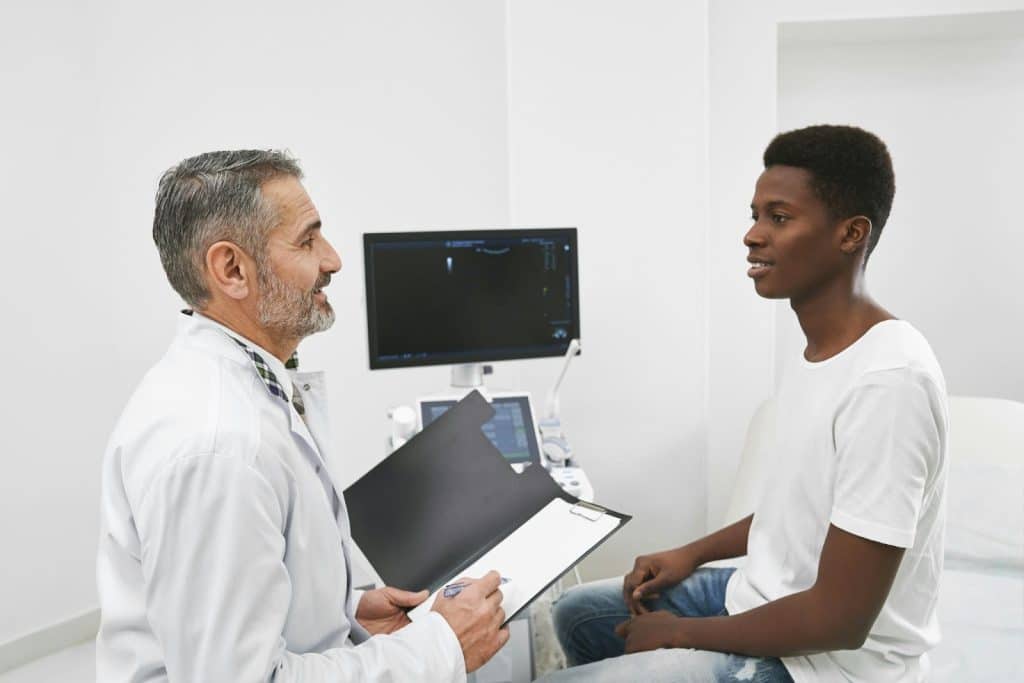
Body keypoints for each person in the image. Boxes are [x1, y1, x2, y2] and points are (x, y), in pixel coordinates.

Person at [545, 125, 948, 682]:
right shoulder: (819, 349)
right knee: (576, 615)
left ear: (851, 234)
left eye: (778, 218)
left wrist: (679, 635)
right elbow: (802, 505)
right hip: (763, 593)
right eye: (755, 214)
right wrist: (692, 552)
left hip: (828, 663)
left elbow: (841, 620)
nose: (752, 235)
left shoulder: (889, 383)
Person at [96, 150, 508, 682]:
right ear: (232, 269)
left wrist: (341, 611)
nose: (333, 260)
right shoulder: (221, 448)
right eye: (307, 240)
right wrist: (440, 648)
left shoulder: (246, 389)